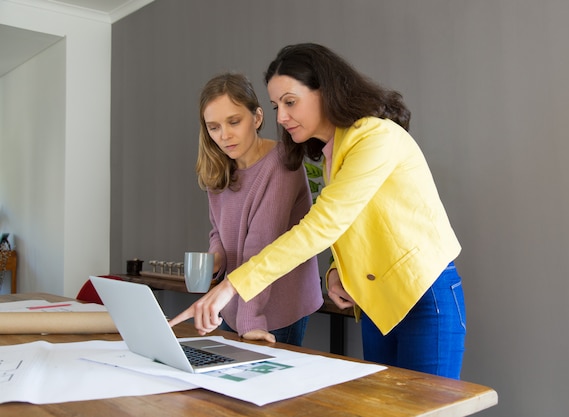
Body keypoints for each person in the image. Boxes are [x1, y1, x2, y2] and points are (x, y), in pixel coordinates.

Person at [171, 45, 466, 379]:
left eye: (290, 102)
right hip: (375, 301)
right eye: (276, 106)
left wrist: (229, 287)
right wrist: (336, 271)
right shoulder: (334, 151)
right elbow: (353, 225)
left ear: (325, 91)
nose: (280, 117)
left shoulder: (375, 138)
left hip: (424, 294)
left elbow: (322, 226)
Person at [191, 72, 322, 346]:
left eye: (234, 122)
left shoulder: (282, 164)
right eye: (213, 127)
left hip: (276, 306)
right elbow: (218, 230)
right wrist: (216, 259)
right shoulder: (220, 168)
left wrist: (251, 322)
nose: (224, 135)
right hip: (235, 300)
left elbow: (263, 245)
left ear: (258, 118)